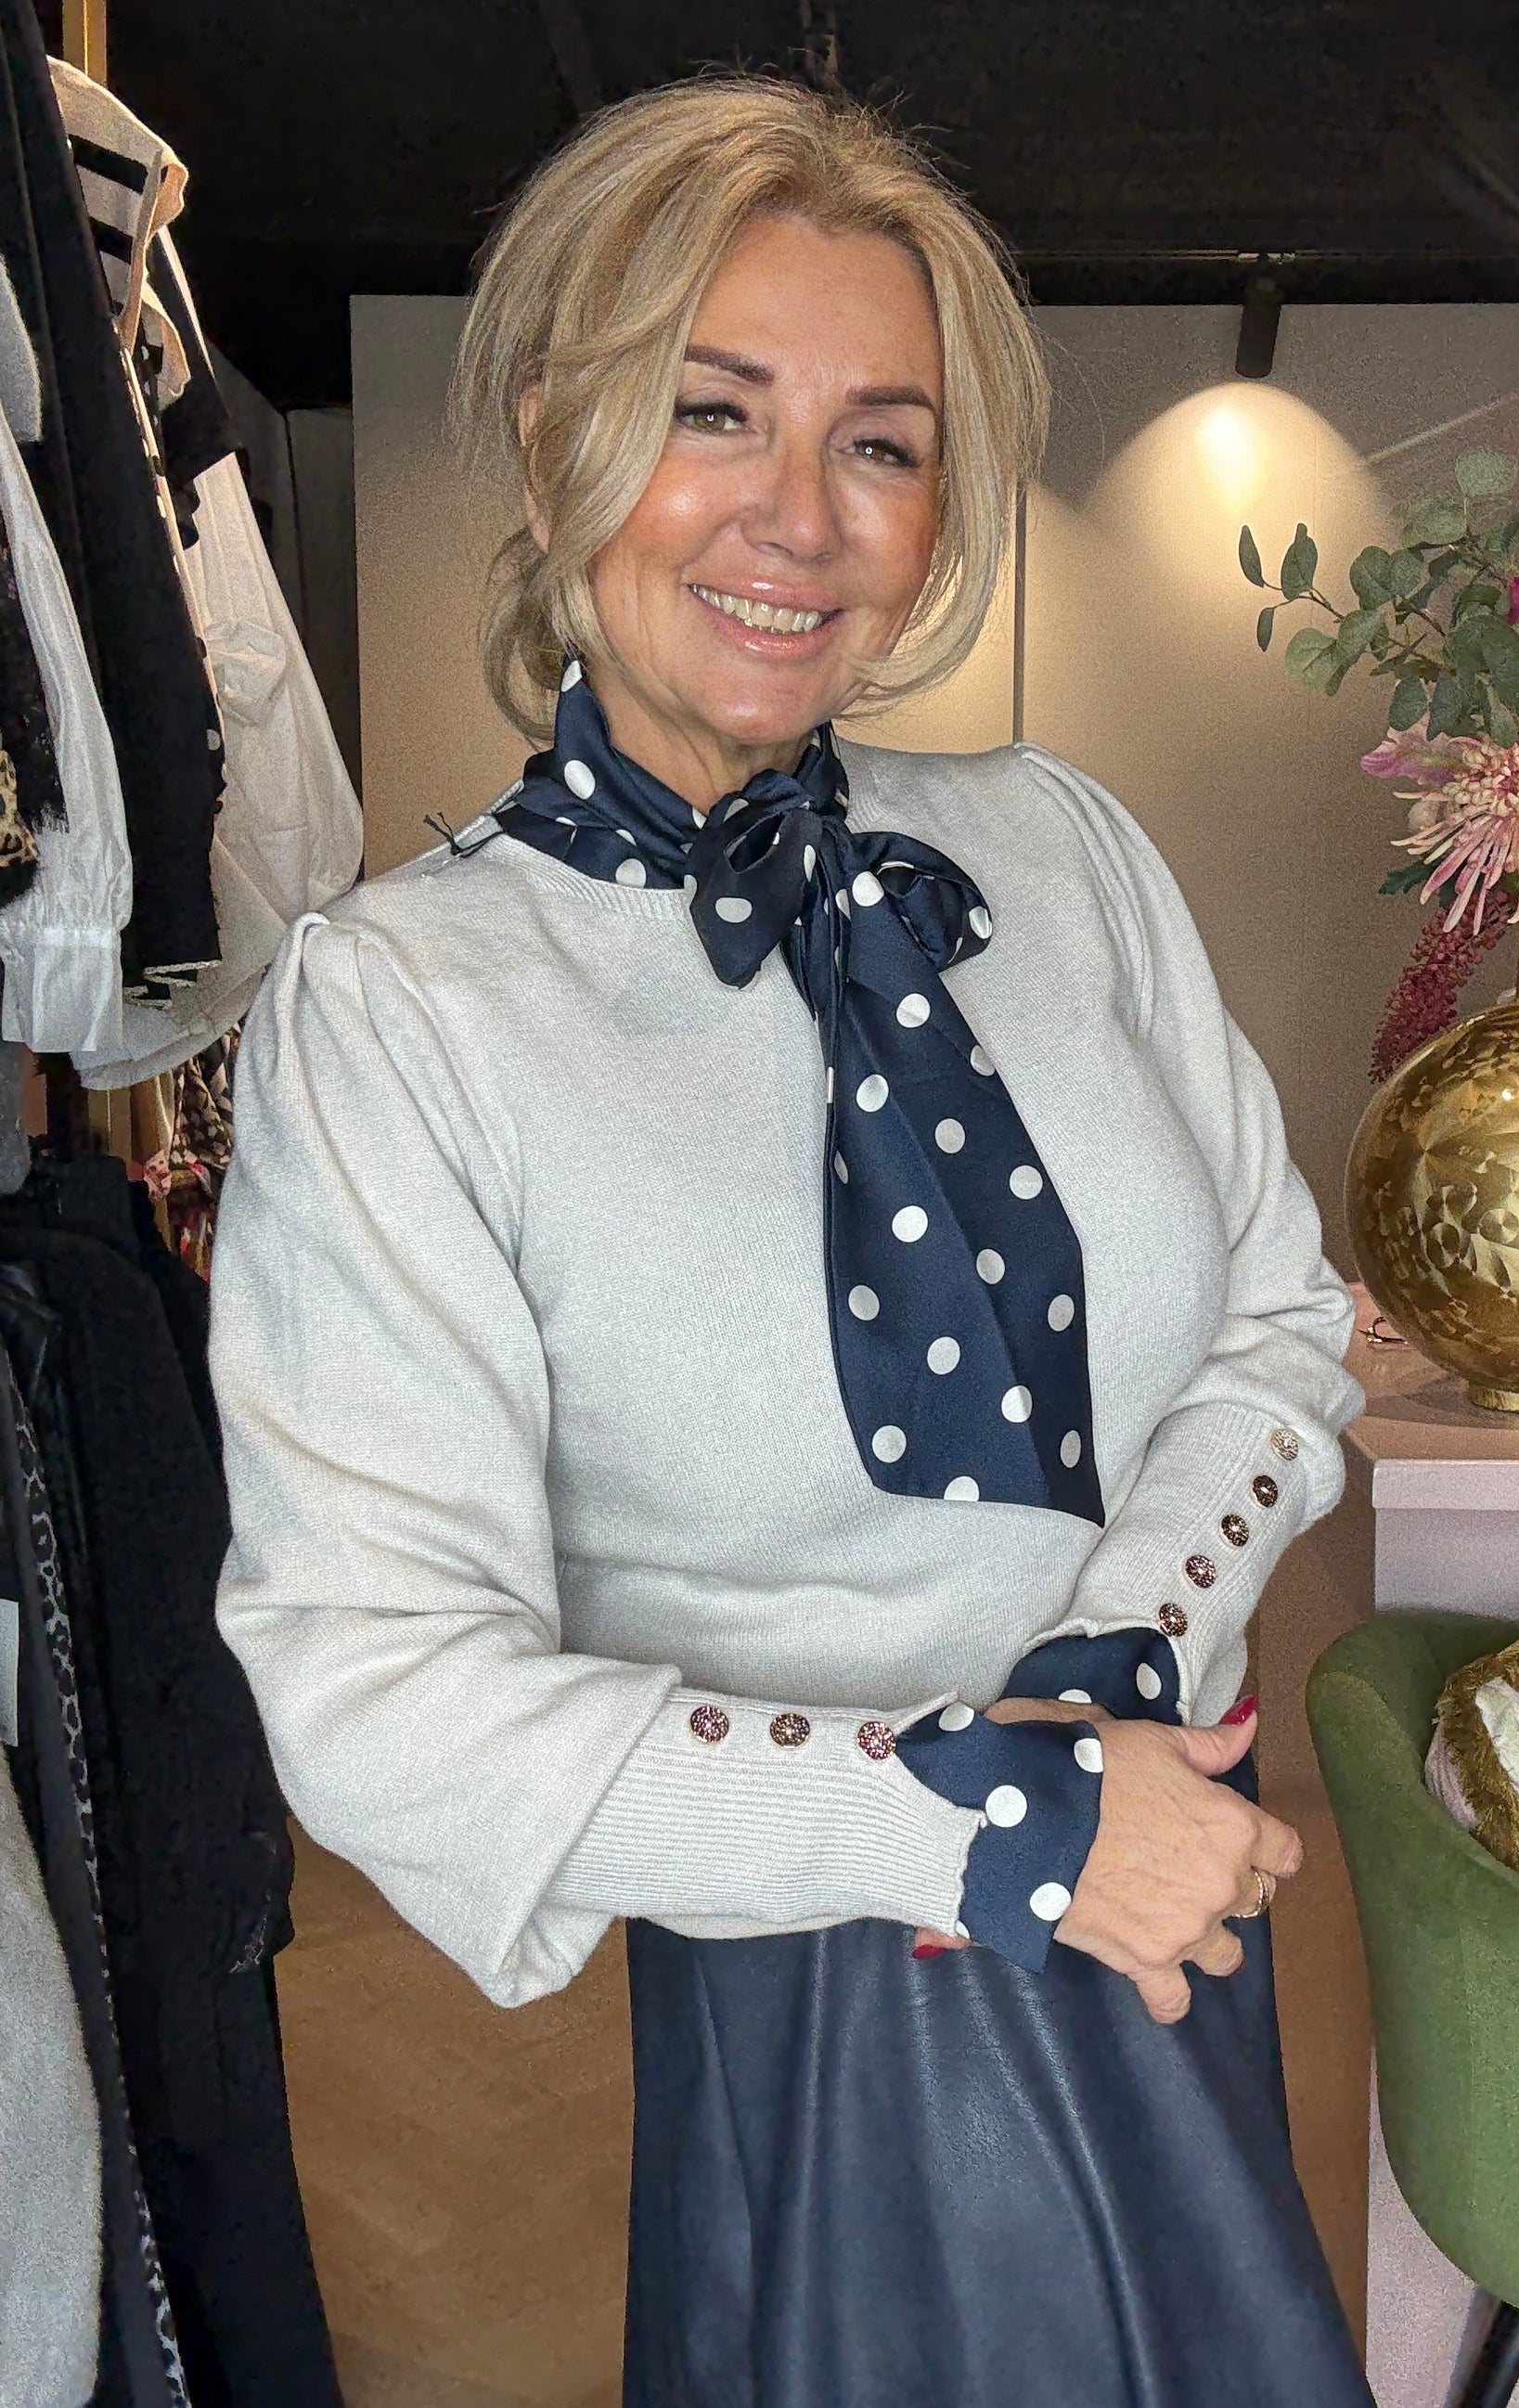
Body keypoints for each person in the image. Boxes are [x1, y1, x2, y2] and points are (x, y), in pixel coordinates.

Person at [211, 73, 1372, 2408]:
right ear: (553, 436)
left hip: (1171, 1855)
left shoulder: (1061, 845)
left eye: (881, 442)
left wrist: (1119, 1674)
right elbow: (375, 1680)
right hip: (827, 1963)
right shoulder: (405, 1009)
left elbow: (1278, 1318)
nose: (799, 518)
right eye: (711, 409)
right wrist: (979, 1820)